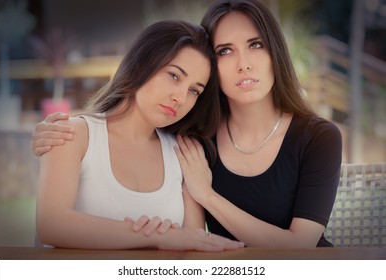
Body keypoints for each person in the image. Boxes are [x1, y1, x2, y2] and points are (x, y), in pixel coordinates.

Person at [31, 0, 342, 248]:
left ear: (276, 53)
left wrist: (207, 196)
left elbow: (298, 246)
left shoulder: (317, 137)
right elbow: (51, 225)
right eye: (225, 51)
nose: (243, 63)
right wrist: (49, 133)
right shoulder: (195, 140)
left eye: (256, 45)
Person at [32, 19, 244, 251]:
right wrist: (157, 237)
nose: (181, 98)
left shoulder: (184, 153)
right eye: (174, 76)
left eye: (194, 90)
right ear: (142, 64)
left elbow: (191, 243)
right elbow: (51, 225)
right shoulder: (73, 135)